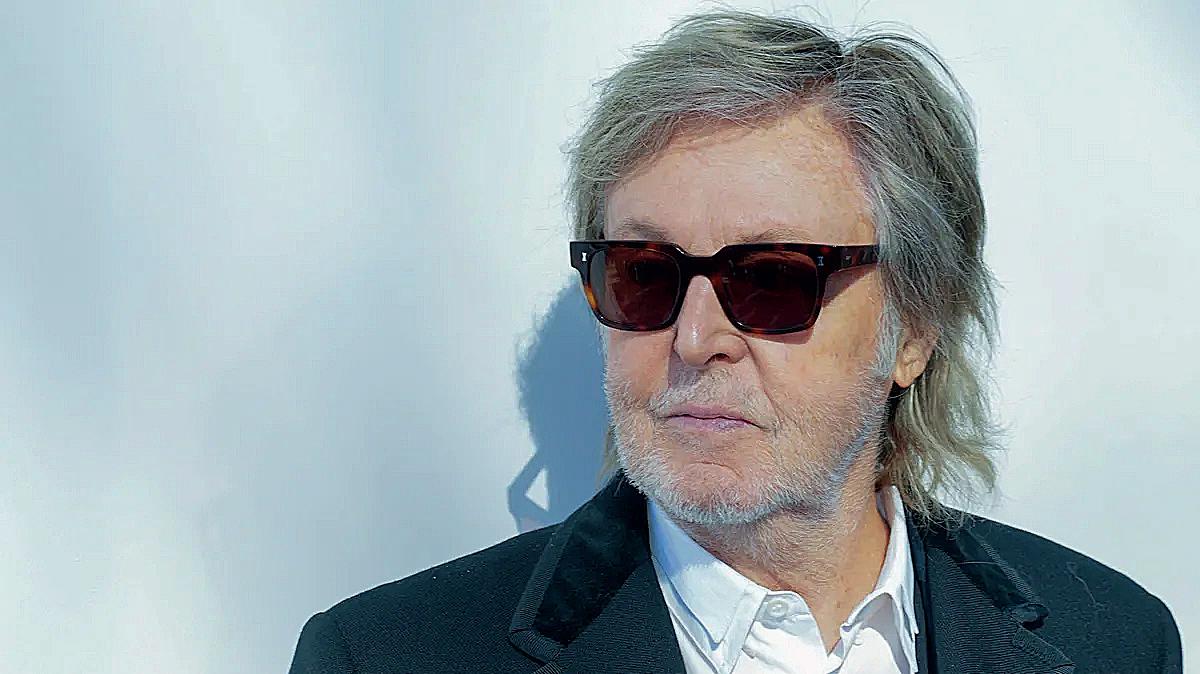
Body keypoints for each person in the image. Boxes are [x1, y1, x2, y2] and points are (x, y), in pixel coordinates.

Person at [289, 9, 1182, 673]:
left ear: (914, 327)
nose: (695, 338)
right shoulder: (385, 656)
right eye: (644, 272)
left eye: (772, 278)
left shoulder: (1114, 640)